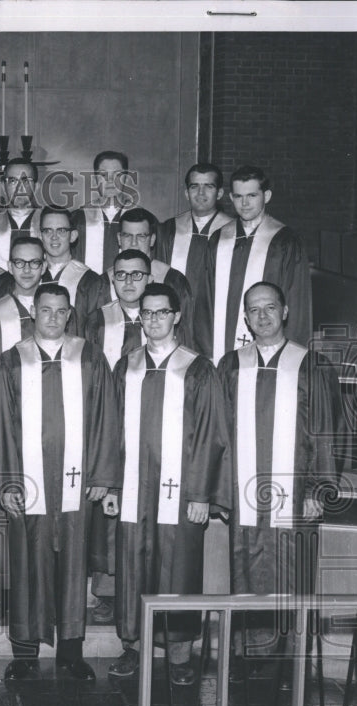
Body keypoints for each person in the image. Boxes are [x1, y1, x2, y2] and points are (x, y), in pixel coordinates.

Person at [0, 285, 120, 681]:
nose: (52, 317)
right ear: (32, 311)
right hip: (27, 479)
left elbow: (106, 418)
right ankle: (25, 652)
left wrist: (102, 475)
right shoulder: (11, 361)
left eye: (60, 311)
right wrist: (7, 482)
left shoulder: (90, 357)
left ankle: (70, 651)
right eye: (44, 310)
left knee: (72, 566)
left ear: (70, 314)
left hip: (76, 481)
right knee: (27, 563)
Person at [107, 283, 232, 685]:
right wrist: (110, 485)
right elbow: (110, 430)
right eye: (147, 313)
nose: (154, 320)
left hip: (181, 490)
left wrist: (201, 494)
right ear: (139, 318)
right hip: (133, 486)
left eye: (162, 312)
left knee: (178, 569)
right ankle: (134, 648)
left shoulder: (197, 367)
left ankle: (179, 655)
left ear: (177, 316)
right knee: (133, 564)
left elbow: (213, 433)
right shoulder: (127, 365)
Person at [217, 281, 340, 680]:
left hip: (296, 491)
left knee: (293, 571)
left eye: (271, 307)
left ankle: (292, 663)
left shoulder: (311, 364)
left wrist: (319, 489)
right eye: (254, 310)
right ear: (246, 318)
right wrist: (222, 489)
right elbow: (219, 431)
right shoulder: (232, 364)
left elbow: (324, 430)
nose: (263, 316)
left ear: (285, 311)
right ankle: (247, 655)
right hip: (245, 489)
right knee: (246, 565)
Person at [84, 249, 152, 623]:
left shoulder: (160, 318)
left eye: (137, 274)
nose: (129, 282)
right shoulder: (97, 320)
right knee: (106, 511)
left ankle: (142, 589)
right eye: (121, 275)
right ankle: (107, 590)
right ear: (112, 279)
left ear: (148, 278)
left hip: (148, 426)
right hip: (105, 424)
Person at [206, 165, 312, 363]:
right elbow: (206, 301)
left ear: (267, 196)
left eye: (252, 195)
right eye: (238, 196)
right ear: (231, 198)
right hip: (220, 346)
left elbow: (296, 302)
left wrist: (293, 356)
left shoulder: (285, 241)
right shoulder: (219, 239)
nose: (244, 203)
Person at [100, 208, 196, 351]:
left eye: (141, 236)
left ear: (152, 240)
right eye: (127, 236)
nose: (133, 243)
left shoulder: (173, 280)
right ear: (119, 239)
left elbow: (185, 333)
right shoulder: (103, 282)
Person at [155, 162, 231, 284]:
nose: (201, 192)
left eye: (208, 186)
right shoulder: (168, 230)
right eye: (194, 186)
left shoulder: (233, 231)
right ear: (187, 194)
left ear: (220, 193)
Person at [37, 205, 103, 336]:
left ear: (73, 236)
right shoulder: (30, 275)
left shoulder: (90, 281)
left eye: (61, 230)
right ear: (40, 236)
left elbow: (95, 332)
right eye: (48, 231)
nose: (54, 237)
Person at [0, 236, 46, 358]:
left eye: (34, 262)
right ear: (10, 267)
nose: (26, 269)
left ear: (44, 267)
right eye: (19, 262)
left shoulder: (59, 308)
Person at [71, 150, 135, 274]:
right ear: (95, 181)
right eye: (104, 175)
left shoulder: (143, 220)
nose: (110, 180)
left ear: (126, 179)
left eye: (117, 175)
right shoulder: (78, 219)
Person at [0, 158, 42, 268]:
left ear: (36, 187)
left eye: (26, 181)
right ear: (3, 188)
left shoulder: (47, 224)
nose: (20, 188)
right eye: (13, 181)